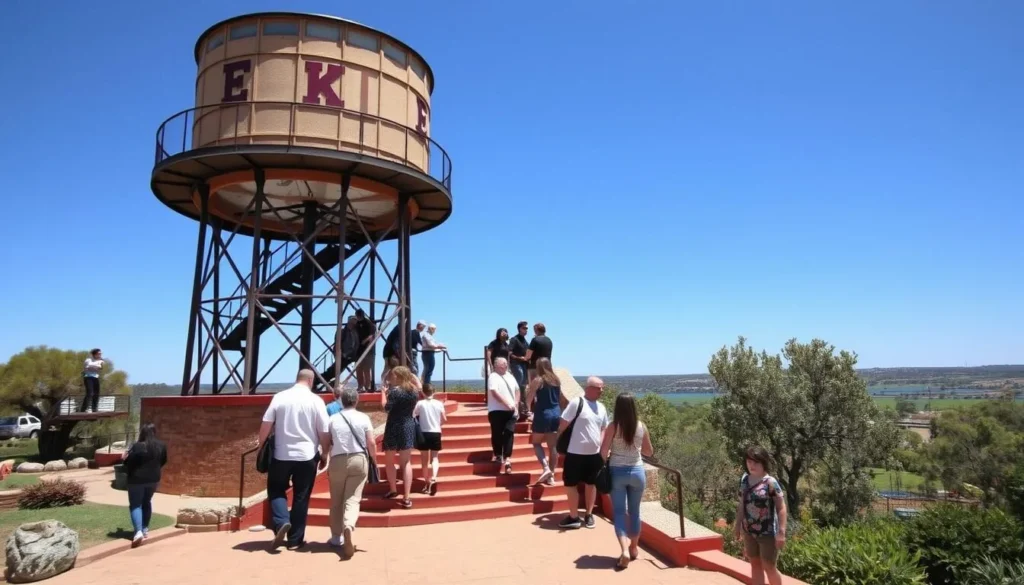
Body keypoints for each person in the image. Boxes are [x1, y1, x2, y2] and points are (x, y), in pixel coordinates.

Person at [258, 369, 330, 550]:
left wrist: (261, 447)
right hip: (307, 455)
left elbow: (266, 424)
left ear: (297, 379)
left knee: (276, 489)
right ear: (311, 381)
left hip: (281, 455)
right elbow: (324, 431)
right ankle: (295, 541)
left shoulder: (280, 397)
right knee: (301, 496)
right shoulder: (316, 401)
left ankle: (282, 521)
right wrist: (325, 453)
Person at [600, 393, 655, 569]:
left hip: (617, 471)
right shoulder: (641, 426)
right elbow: (649, 452)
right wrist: (635, 448)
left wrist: (605, 462)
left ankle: (624, 550)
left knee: (619, 513)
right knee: (635, 513)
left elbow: (603, 451)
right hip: (637, 472)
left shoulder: (613, 426)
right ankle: (634, 548)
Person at [326, 386, 376, 558]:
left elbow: (327, 442)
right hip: (358, 458)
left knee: (336, 500)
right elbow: (371, 442)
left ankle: (336, 537)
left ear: (342, 400)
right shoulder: (363, 418)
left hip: (337, 459)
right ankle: (348, 525)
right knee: (353, 499)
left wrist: (325, 457)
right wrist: (374, 460)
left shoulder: (333, 419)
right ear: (356, 400)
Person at [558, 376, 608, 530]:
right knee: (570, 484)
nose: (601, 390)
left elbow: (604, 428)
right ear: (588, 388)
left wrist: (601, 444)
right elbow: (563, 424)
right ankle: (574, 516)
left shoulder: (602, 407)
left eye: (602, 387)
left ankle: (589, 514)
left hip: (594, 455)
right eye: (598, 388)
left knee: (591, 484)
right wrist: (558, 443)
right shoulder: (577, 402)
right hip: (574, 453)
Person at [735, 445, 788, 585]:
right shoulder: (745, 480)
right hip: (749, 531)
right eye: (749, 462)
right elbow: (742, 504)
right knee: (755, 564)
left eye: (756, 462)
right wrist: (737, 525)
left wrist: (781, 532)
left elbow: (781, 507)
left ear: (763, 462)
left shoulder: (770, 483)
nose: (752, 465)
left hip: (767, 532)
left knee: (769, 566)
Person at [121, 423, 167, 548]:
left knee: (136, 505)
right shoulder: (161, 446)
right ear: (154, 432)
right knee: (147, 502)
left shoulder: (137, 446)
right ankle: (145, 529)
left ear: (142, 433)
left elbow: (129, 463)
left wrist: (124, 458)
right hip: (153, 479)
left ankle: (138, 532)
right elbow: (163, 461)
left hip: (136, 479)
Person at [382, 366, 419, 508]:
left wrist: (383, 393)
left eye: (393, 375)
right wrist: (414, 377)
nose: (391, 377)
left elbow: (386, 407)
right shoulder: (413, 392)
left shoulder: (395, 392)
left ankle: (393, 489)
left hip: (393, 426)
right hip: (408, 425)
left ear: (398, 376)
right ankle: (407, 496)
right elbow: (419, 386)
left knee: (389, 461)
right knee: (406, 462)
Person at [525, 357, 563, 486]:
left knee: (536, 442)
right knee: (553, 447)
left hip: (543, 414)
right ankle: (551, 476)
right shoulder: (556, 380)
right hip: (556, 413)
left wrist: (528, 410)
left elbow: (529, 398)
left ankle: (546, 467)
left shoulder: (538, 380)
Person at [486, 357, 520, 474]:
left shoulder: (510, 376)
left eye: (506, 363)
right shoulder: (493, 377)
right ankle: (498, 454)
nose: (506, 365)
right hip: (496, 410)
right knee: (497, 433)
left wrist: (515, 404)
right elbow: (494, 392)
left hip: (511, 411)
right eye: (503, 363)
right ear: (496, 365)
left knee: (509, 432)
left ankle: (507, 458)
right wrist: (506, 404)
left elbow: (517, 390)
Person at [413, 383, 447, 495]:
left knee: (424, 460)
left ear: (423, 392)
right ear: (434, 392)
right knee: (435, 457)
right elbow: (444, 419)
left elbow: (413, 415)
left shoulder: (420, 403)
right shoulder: (439, 403)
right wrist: (438, 425)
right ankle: (434, 477)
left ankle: (426, 481)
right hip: (436, 432)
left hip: (423, 432)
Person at [523, 323, 553, 418]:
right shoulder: (549, 340)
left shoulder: (535, 340)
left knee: (533, 389)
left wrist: (524, 358)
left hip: (535, 367)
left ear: (536, 330)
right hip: (547, 368)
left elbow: (528, 355)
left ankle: (528, 409)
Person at [354, 309, 376, 392]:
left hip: (368, 351)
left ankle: (367, 386)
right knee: (358, 369)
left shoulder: (368, 324)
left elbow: (372, 336)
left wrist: (365, 341)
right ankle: (360, 386)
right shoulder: (357, 324)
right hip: (359, 350)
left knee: (366, 369)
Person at [508, 321, 530, 389]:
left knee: (524, 384)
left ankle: (522, 396)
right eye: (524, 328)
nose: (526, 330)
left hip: (524, 364)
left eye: (527, 328)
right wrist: (519, 358)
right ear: (520, 329)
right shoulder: (514, 339)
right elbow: (509, 353)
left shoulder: (525, 341)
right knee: (519, 380)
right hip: (516, 364)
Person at [81, 348, 104, 413]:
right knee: (90, 393)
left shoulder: (101, 361)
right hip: (88, 377)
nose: (100, 355)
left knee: (96, 393)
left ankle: (94, 409)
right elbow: (86, 368)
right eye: (99, 353)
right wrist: (94, 367)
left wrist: (92, 367)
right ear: (94, 354)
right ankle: (84, 409)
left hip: (96, 377)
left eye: (100, 354)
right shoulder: (88, 360)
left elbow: (100, 368)